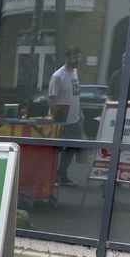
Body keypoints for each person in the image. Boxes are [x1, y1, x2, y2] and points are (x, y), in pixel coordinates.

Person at [48, 46, 83, 187]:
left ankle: (62, 173)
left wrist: (80, 111)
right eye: (75, 57)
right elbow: (52, 98)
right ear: (67, 58)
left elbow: (75, 94)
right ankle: (53, 176)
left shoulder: (75, 72)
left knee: (72, 147)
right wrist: (57, 118)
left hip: (75, 118)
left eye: (79, 57)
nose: (78, 60)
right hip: (63, 121)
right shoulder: (58, 76)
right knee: (58, 149)